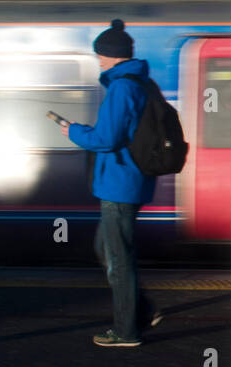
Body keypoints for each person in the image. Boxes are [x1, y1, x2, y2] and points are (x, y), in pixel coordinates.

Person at [62, 19, 162, 347]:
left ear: (114, 55)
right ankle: (142, 309)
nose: (99, 61)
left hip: (120, 183)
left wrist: (74, 131)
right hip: (126, 181)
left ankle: (126, 331)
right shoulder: (137, 83)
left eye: (101, 55)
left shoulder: (122, 87)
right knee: (107, 249)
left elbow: (107, 138)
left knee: (117, 257)